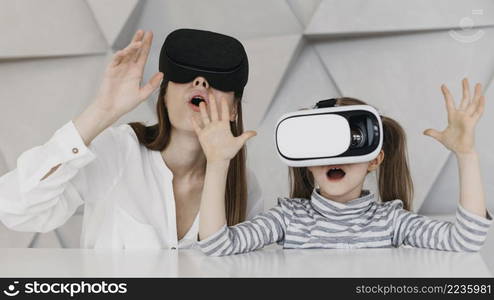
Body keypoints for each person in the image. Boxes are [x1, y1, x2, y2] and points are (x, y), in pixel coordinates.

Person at [0, 29, 262, 249]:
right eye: (186, 75)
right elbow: (15, 209)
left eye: (217, 79)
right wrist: (102, 111)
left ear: (234, 109)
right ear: (164, 94)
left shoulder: (243, 185)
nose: (201, 83)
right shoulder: (118, 151)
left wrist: (219, 166)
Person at [193, 79, 492, 256]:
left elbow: (464, 241)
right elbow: (217, 246)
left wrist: (466, 156)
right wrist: (218, 163)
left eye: (351, 140)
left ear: (374, 159)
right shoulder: (288, 219)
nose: (333, 157)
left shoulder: (391, 221)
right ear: (306, 163)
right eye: (321, 142)